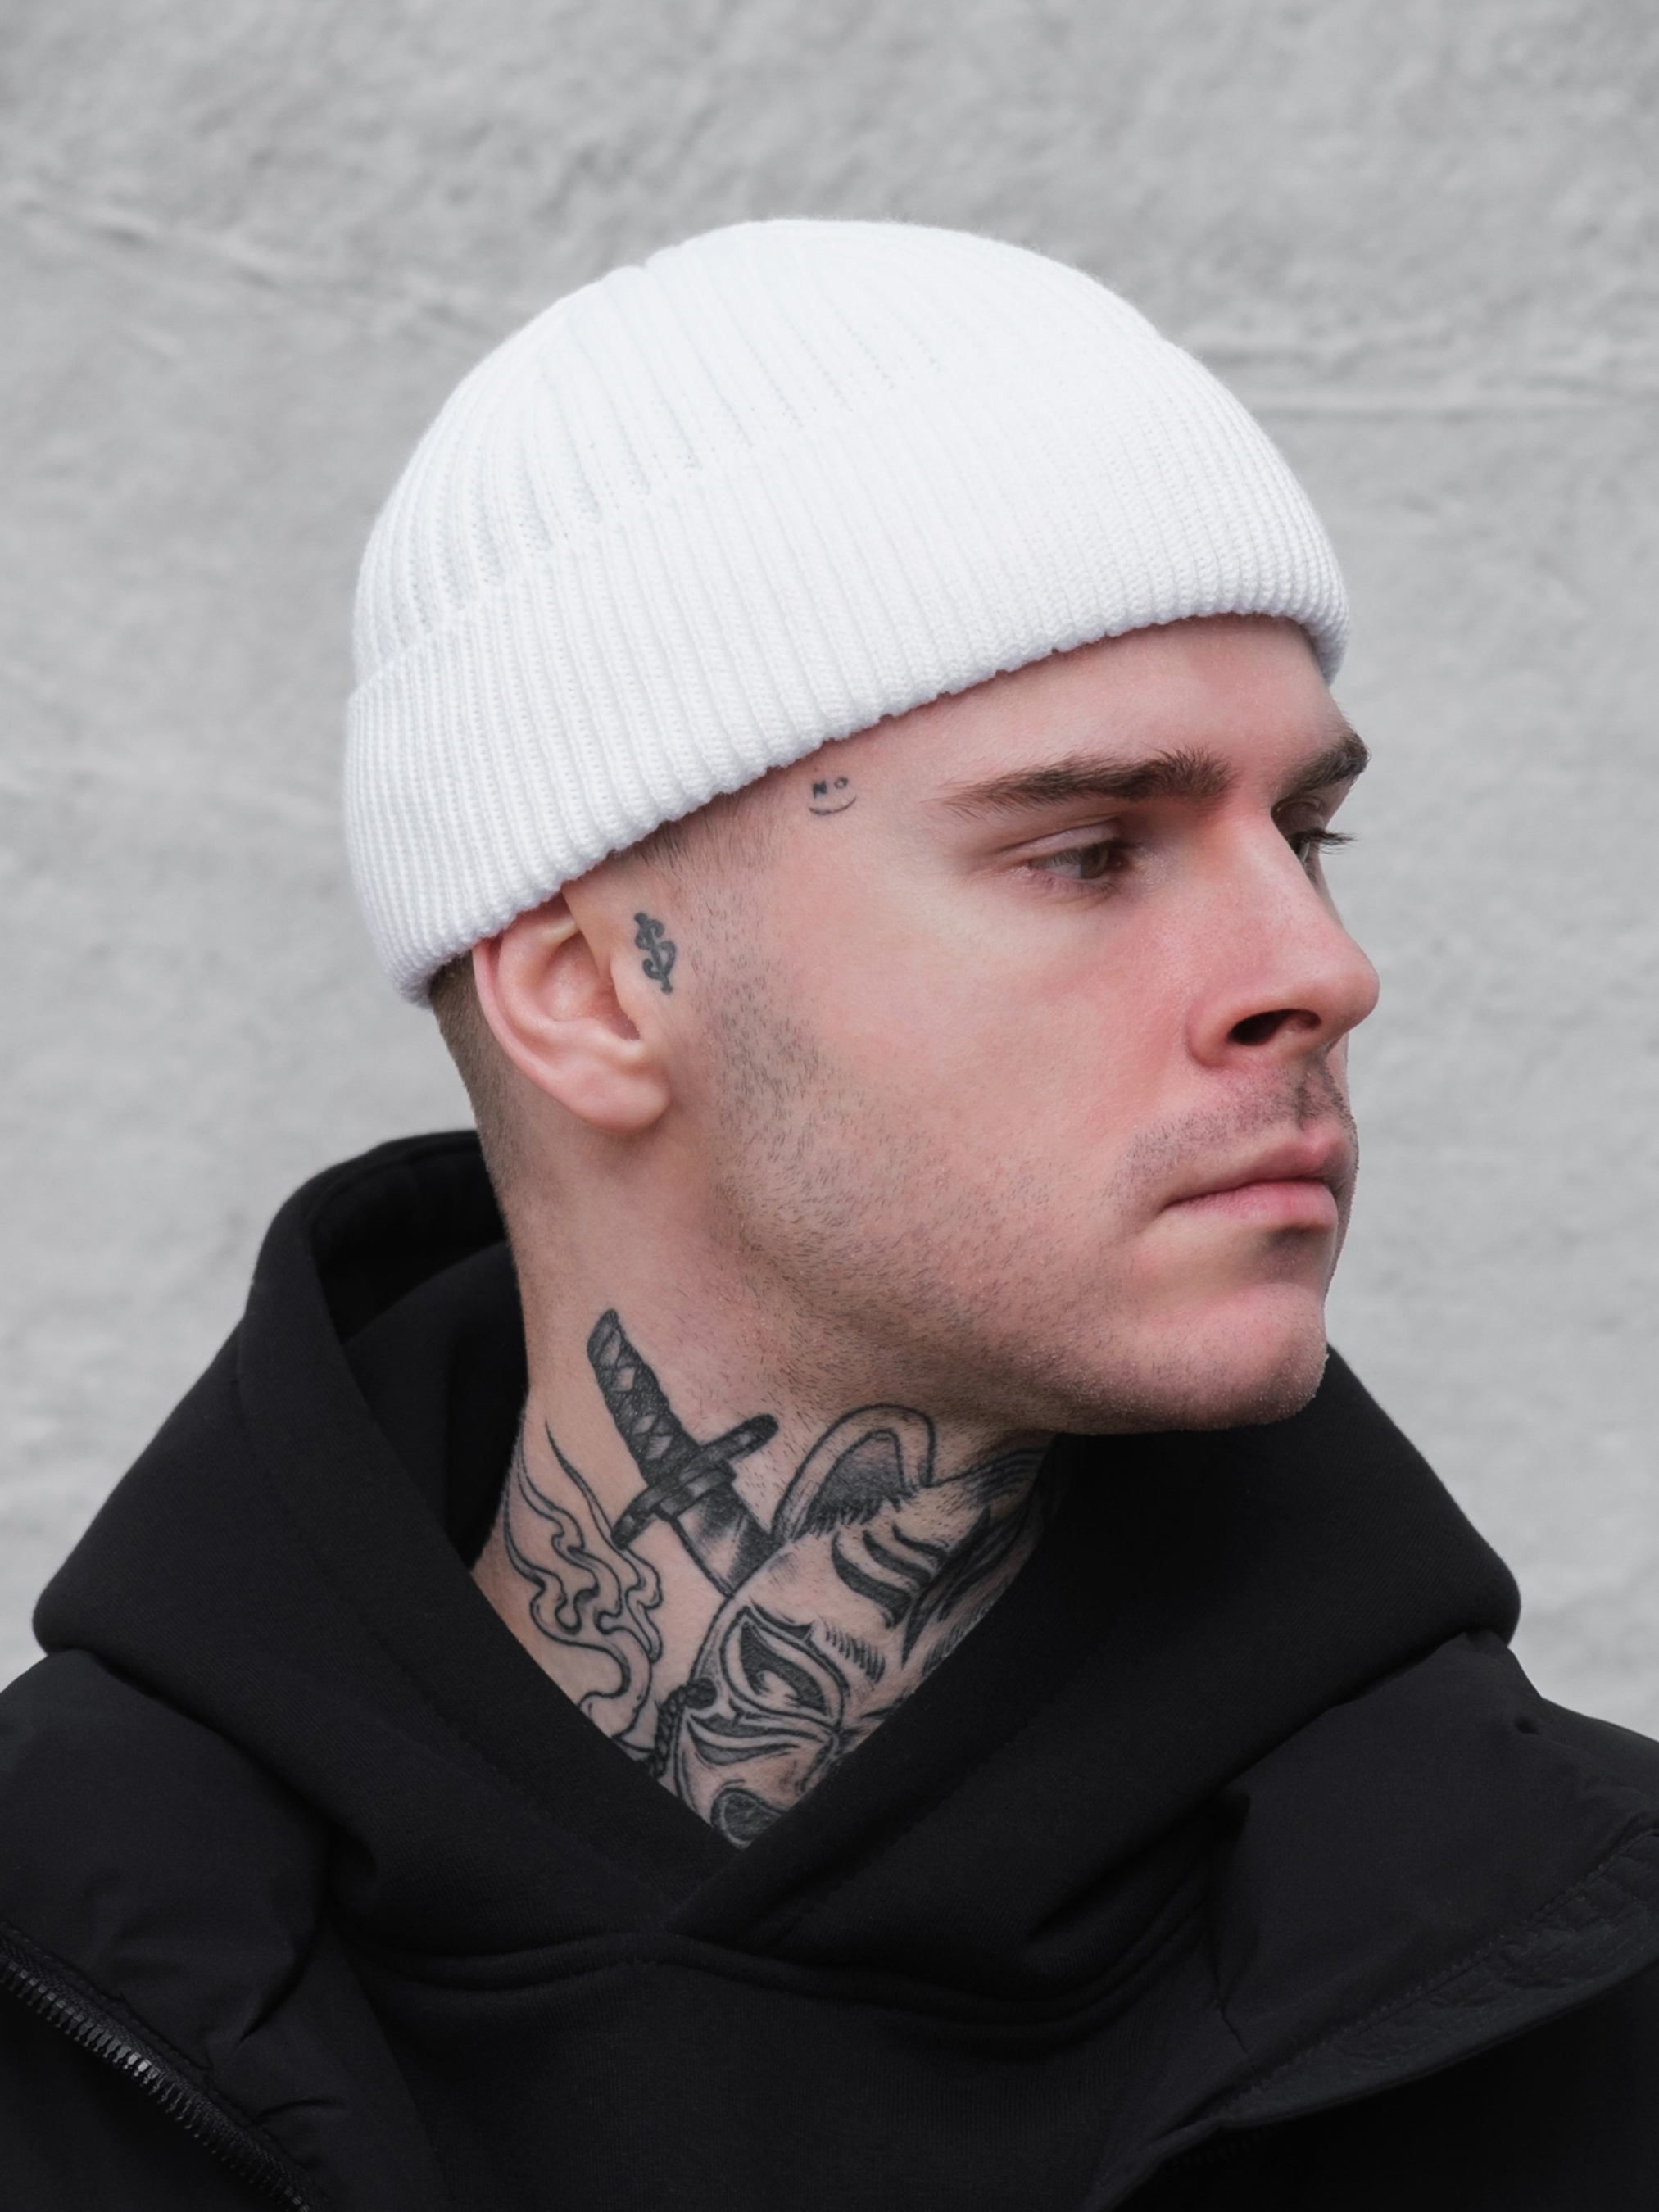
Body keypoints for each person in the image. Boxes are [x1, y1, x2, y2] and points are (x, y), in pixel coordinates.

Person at [2, 221, 1655, 2212]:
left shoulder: (1583, 1988)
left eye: (1305, 833)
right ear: (592, 994)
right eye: (1084, 851)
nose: (1318, 967)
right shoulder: (61, 1978)